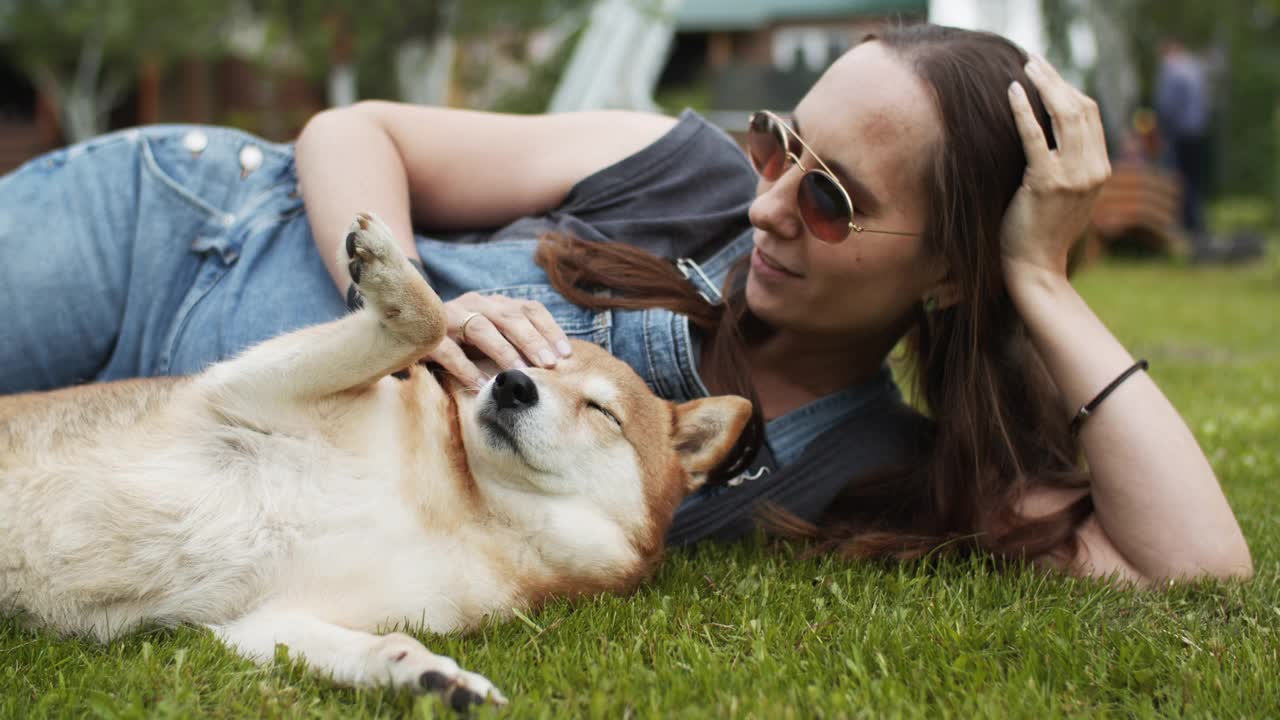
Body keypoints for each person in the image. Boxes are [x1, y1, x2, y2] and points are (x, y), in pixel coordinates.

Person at [0, 25, 1250, 586]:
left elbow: (1194, 571)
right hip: (178, 239)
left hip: (164, 462)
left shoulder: (868, 462)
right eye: (780, 143)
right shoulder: (680, 170)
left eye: (831, 202)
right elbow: (350, 132)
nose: (766, 204)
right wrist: (416, 309)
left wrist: (1034, 277)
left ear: (946, 277)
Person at [1154, 39, 1212, 240]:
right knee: (1195, 180)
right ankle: (1197, 224)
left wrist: (1161, 129)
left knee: (1177, 179)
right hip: (1199, 131)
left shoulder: (1171, 70)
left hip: (1179, 134)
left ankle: (1182, 226)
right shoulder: (1195, 69)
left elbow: (1166, 106)